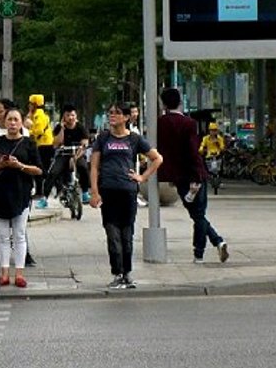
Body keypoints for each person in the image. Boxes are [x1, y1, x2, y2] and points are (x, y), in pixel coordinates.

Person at [89, 103, 162, 290]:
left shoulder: (135, 139)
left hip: (128, 191)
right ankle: (117, 273)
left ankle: (127, 273)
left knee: (127, 235)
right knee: (112, 234)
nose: (112, 116)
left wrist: (142, 177)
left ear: (127, 117)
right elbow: (94, 166)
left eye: (117, 113)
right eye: (111, 113)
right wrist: (95, 192)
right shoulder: (103, 138)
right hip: (108, 190)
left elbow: (157, 158)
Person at [159, 89, 229, 264]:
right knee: (199, 214)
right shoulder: (189, 123)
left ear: (164, 104)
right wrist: (198, 175)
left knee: (197, 215)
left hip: (178, 176)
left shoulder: (160, 123)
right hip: (195, 174)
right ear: (180, 102)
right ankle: (208, 248)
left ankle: (211, 245)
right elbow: (193, 151)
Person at [0, 108, 42, 288]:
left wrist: (20, 166)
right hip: (0, 193)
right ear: (4, 122)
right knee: (2, 236)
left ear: (22, 122)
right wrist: (0, 164)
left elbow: (39, 170)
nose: (13, 123)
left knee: (19, 234)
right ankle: (3, 273)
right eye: (9, 119)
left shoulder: (28, 143)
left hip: (21, 192)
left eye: (16, 119)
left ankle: (19, 273)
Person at [51, 104, 91, 204]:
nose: (70, 118)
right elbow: (56, 144)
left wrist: (75, 158)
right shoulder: (59, 127)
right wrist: (62, 129)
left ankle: (85, 192)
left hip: (77, 154)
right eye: (68, 115)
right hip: (63, 154)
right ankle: (46, 197)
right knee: (54, 172)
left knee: (84, 167)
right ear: (64, 117)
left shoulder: (80, 127)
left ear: (76, 116)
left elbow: (85, 143)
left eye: (73, 115)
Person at [27, 94, 54, 209]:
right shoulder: (39, 114)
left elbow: (38, 131)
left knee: (39, 168)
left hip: (44, 144)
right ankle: (41, 189)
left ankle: (41, 191)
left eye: (30, 103)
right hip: (44, 144)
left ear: (34, 104)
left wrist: (28, 130)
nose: (28, 106)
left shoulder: (38, 115)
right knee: (41, 168)